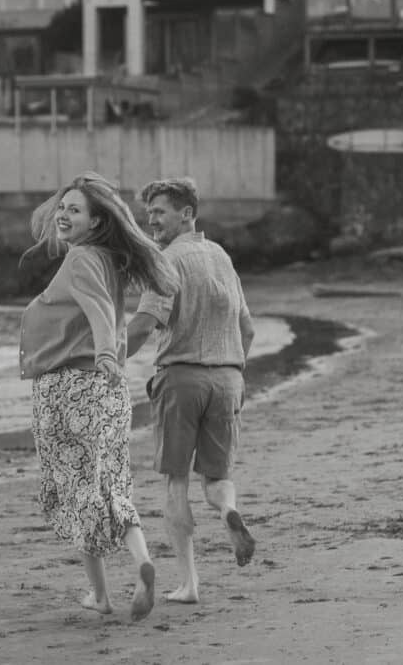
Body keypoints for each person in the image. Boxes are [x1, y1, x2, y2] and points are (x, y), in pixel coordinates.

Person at [18, 171, 177, 621]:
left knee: (76, 490)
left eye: (76, 210)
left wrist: (106, 353)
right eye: (63, 207)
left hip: (69, 388)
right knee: (110, 485)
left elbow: (100, 313)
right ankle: (142, 559)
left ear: (95, 222)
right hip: (106, 391)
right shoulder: (106, 259)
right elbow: (106, 310)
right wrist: (111, 363)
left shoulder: (83, 260)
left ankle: (102, 596)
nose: (65, 215)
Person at [126, 176, 257, 605]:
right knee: (217, 477)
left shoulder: (165, 261)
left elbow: (145, 323)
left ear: (186, 213)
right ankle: (229, 511)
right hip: (228, 376)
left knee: (175, 482)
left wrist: (107, 360)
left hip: (181, 378)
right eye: (149, 214)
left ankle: (189, 584)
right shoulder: (222, 256)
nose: (152, 222)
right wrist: (235, 372)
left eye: (159, 212)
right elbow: (247, 327)